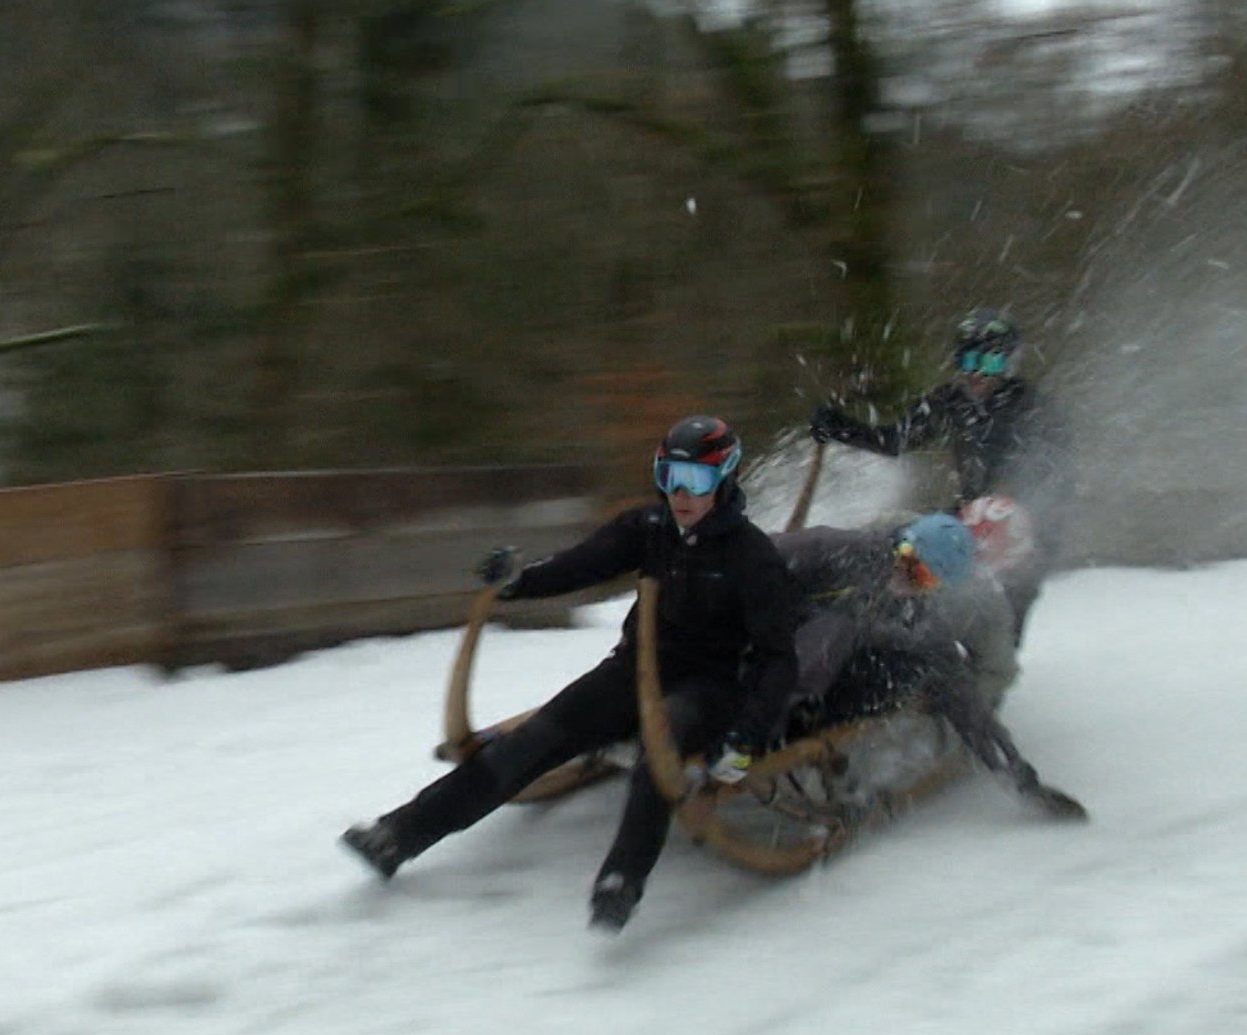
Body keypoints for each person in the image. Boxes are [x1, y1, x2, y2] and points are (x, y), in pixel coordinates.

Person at [340, 415, 802, 933]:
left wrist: (748, 737)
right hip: (636, 668)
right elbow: (578, 565)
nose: (679, 494)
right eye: (668, 475)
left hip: (710, 687)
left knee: (659, 749)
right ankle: (399, 835)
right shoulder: (649, 529)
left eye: (694, 481)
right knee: (536, 738)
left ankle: (621, 879)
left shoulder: (753, 560)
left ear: (725, 479)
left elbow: (778, 661)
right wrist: (517, 582)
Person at [773, 512, 1086, 820]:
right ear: (900, 543)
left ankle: (785, 723)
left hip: (814, 685)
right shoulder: (845, 550)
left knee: (915, 667)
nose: (905, 575)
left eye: (922, 576)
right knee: (836, 623)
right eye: (908, 558)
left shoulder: (923, 622)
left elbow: (971, 707)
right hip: (765, 636)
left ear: (935, 586)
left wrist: (1018, 776)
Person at [809, 309, 1069, 643]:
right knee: (913, 565)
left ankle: (985, 678)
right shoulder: (950, 402)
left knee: (1000, 611)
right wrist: (840, 427)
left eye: (989, 363)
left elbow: (1057, 476)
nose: (976, 373)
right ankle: (902, 650)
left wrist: (1029, 525)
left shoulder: (1034, 409)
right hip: (965, 517)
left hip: (1023, 527)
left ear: (1008, 364)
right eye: (967, 360)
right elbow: (895, 440)